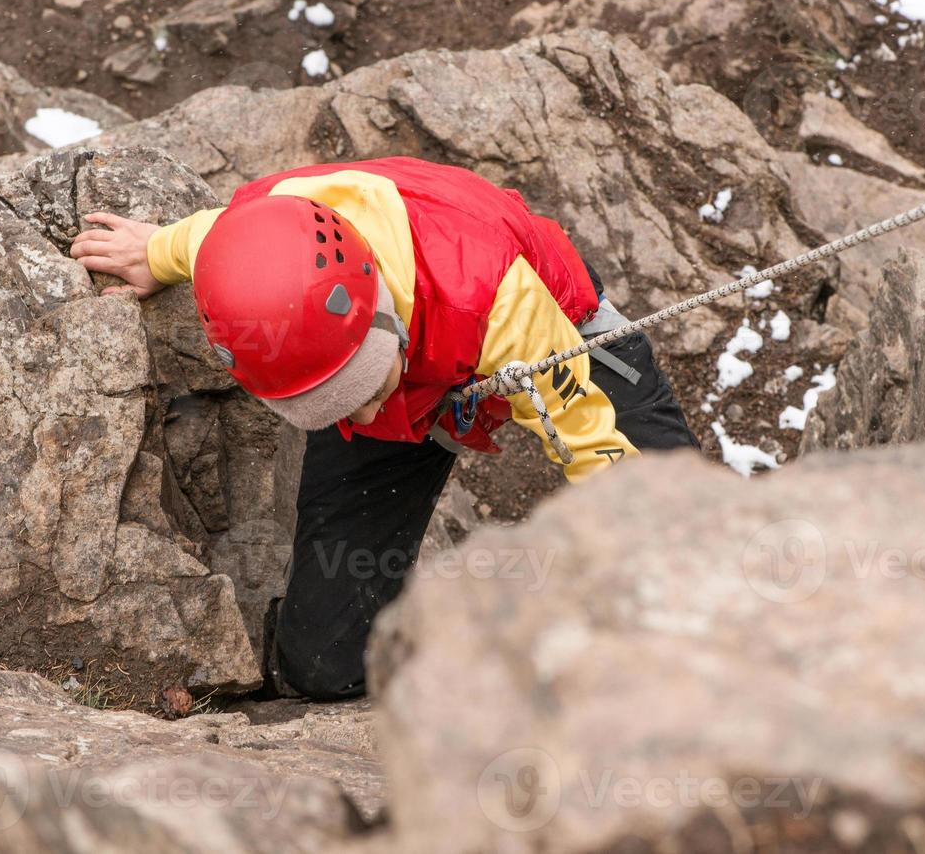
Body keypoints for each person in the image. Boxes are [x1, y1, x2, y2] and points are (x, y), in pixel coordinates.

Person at [71, 157, 698, 700]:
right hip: (405, 374)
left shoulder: (499, 299)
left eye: (363, 391)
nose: (363, 416)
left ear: (380, 312)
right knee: (325, 663)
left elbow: (588, 438)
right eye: (336, 405)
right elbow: (210, 241)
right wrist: (154, 252)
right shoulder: (261, 244)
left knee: (686, 551)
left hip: (554, 324)